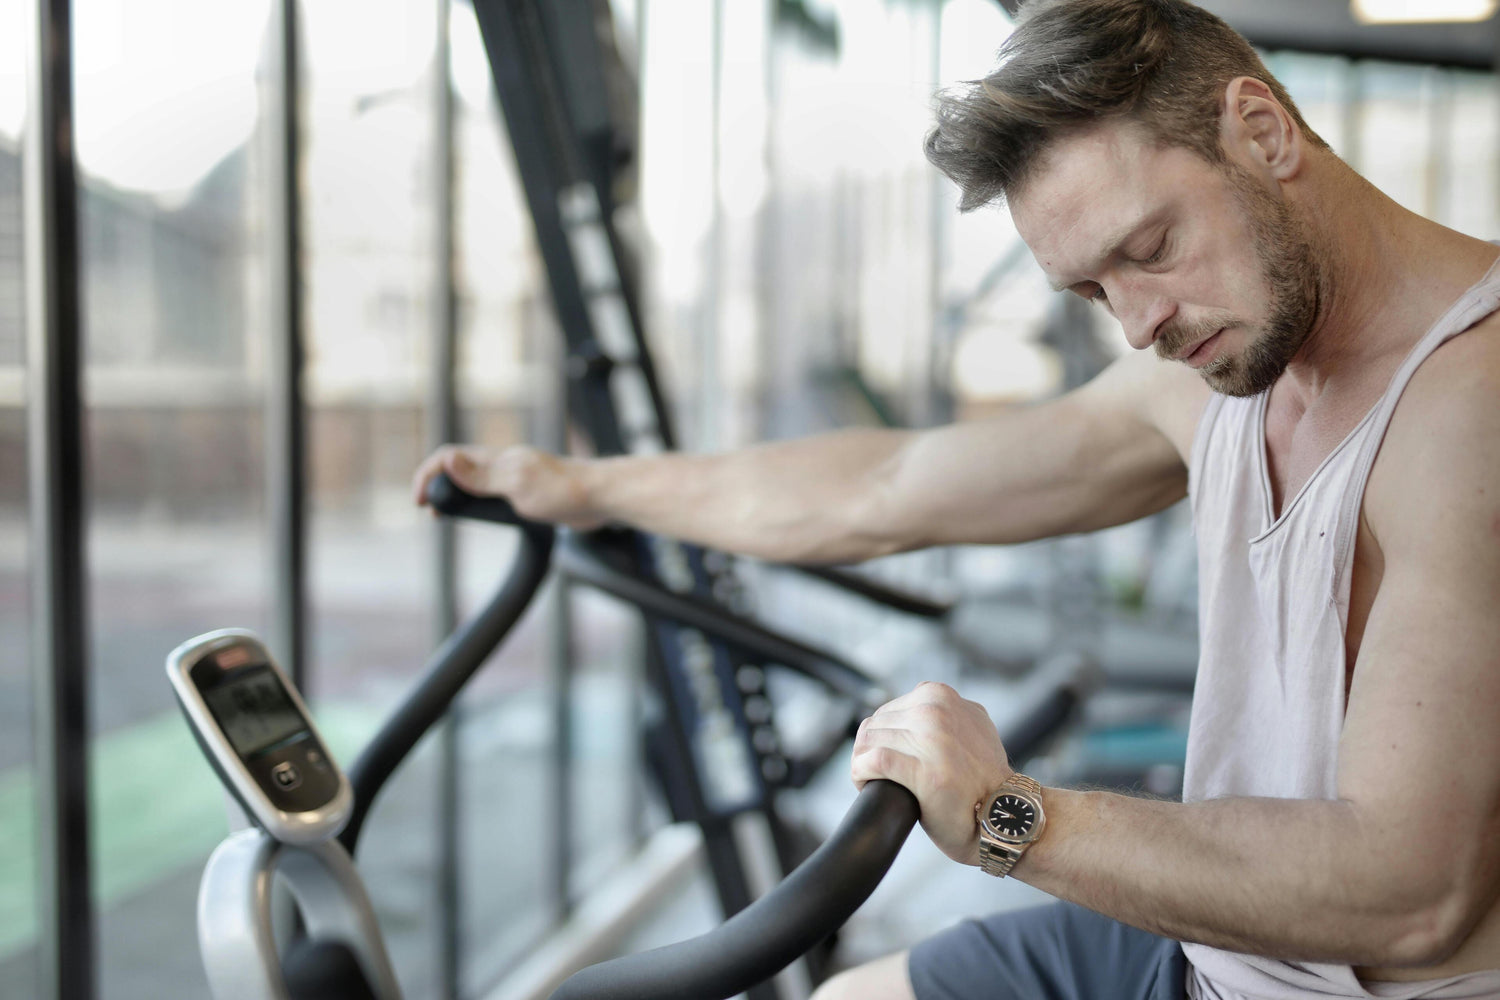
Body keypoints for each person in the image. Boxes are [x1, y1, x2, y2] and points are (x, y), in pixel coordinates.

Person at [412, 0, 1500, 996]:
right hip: (1218, 955)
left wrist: (1002, 815)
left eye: (1151, 248)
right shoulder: (1214, 374)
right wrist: (587, 484)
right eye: (1090, 288)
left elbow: (1407, 893)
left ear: (1262, 130)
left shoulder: (1472, 407)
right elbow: (887, 486)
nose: (1136, 323)